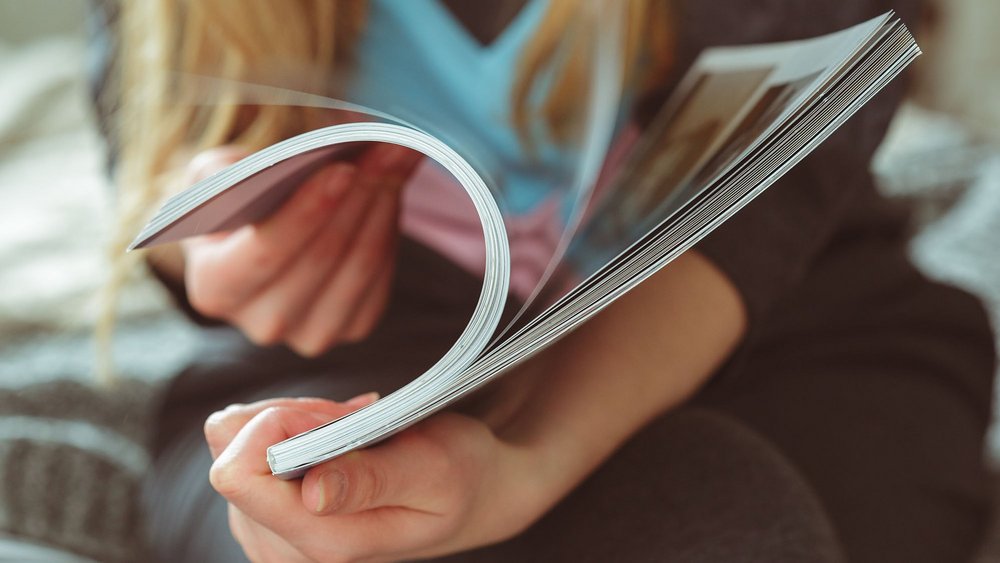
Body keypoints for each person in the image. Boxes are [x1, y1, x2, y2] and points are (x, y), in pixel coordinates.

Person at [90, 0, 996, 561]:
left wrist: (526, 455)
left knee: (714, 513)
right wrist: (215, 231)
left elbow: (771, 187)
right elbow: (155, 175)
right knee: (322, 523)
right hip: (351, 372)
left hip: (783, 329)